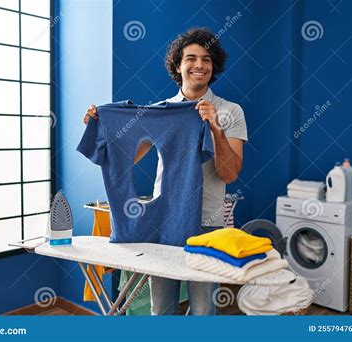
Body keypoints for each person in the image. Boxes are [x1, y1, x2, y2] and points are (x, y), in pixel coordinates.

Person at [82, 28, 248, 315]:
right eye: (191, 58)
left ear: (214, 66)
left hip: (208, 224)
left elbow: (230, 173)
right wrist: (101, 127)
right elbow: (126, 160)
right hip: (163, 221)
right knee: (161, 309)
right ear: (178, 66)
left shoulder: (230, 111)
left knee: (204, 311)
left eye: (207, 59)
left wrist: (215, 128)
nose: (199, 65)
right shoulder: (161, 112)